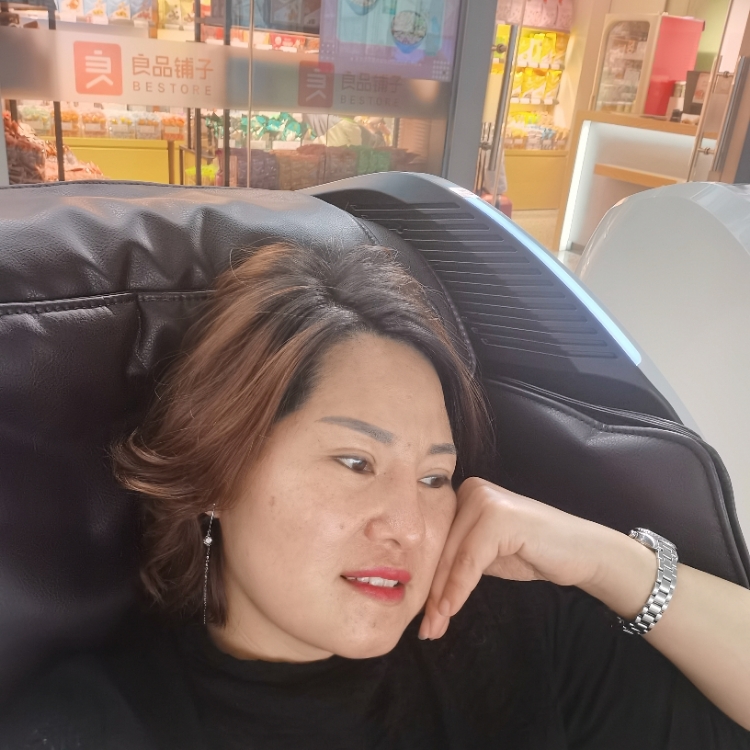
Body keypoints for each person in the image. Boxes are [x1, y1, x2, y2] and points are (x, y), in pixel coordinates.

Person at [1, 241, 749, 749]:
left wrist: (610, 563)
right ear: (216, 473)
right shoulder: (92, 728)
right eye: (356, 462)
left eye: (434, 477)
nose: (410, 528)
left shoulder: (518, 639)